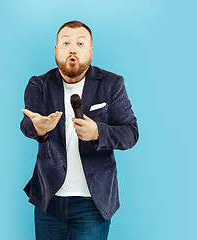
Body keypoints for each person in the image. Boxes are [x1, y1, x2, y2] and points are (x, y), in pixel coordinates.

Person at [20, 20, 139, 240]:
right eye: (65, 43)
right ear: (56, 50)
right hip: (49, 200)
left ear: (91, 51)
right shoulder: (39, 84)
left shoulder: (112, 84)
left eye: (80, 43)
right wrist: (39, 128)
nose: (72, 48)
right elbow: (27, 123)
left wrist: (98, 133)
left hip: (92, 203)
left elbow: (130, 133)